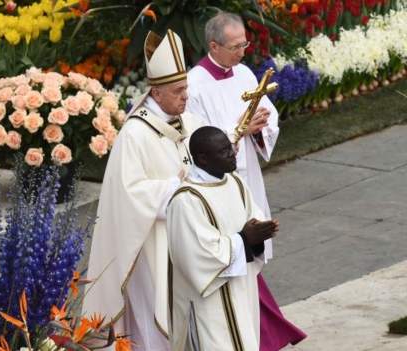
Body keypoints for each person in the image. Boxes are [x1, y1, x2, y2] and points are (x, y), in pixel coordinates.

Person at [185, 11, 306, 350]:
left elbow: (266, 110)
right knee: (236, 248)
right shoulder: (195, 85)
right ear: (214, 45)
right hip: (218, 182)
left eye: (245, 44)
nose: (243, 52)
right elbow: (197, 141)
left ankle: (257, 324)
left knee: (254, 244)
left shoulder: (242, 74)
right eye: (237, 46)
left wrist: (263, 123)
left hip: (247, 172)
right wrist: (237, 129)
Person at [82, 29, 203, 350]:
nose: (185, 96)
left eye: (186, 88)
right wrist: (177, 186)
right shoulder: (135, 134)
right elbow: (129, 195)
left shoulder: (187, 121)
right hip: (150, 244)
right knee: (155, 322)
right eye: (178, 91)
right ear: (157, 93)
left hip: (185, 238)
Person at [167, 126, 278, 351]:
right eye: (224, 150)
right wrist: (244, 239)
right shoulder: (186, 200)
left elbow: (253, 219)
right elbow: (196, 256)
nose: (232, 153)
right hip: (209, 303)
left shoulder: (235, 182)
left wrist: (258, 236)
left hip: (241, 290)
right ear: (203, 159)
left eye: (230, 147)